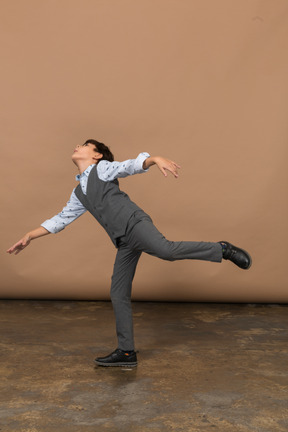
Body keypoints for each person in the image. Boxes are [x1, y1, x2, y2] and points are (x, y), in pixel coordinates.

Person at [7, 139, 252, 367]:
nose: (77, 146)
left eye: (84, 145)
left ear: (97, 156)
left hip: (134, 224)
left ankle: (222, 249)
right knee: (118, 292)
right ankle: (126, 352)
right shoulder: (79, 192)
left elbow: (128, 166)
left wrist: (154, 159)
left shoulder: (102, 170)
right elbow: (61, 219)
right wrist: (29, 235)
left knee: (165, 250)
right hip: (124, 240)